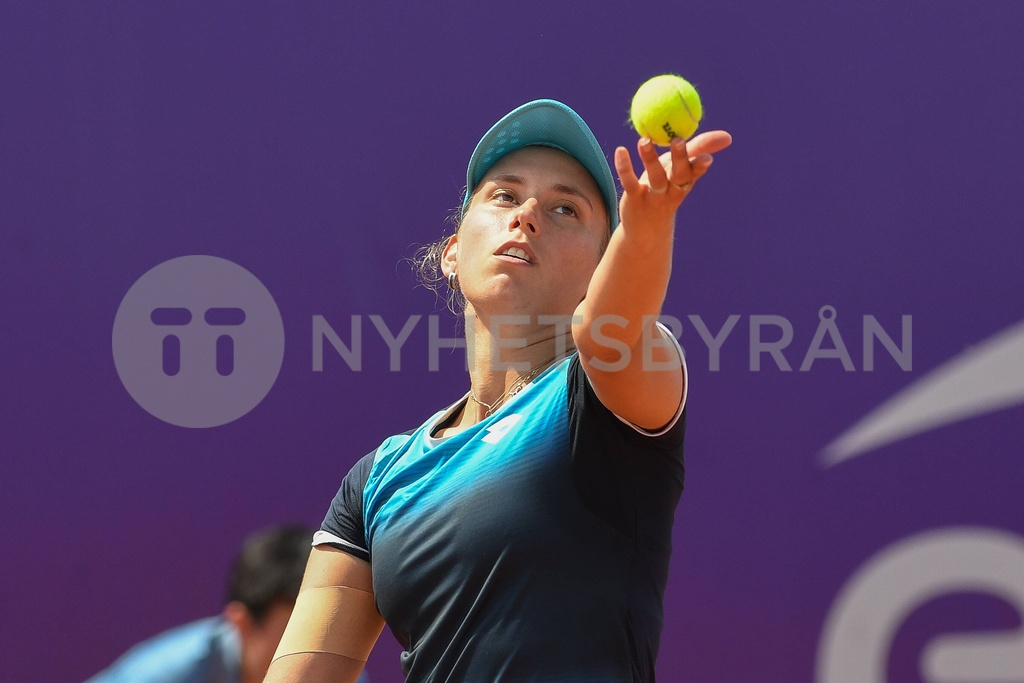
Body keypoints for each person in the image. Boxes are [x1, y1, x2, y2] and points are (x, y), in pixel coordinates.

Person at [266, 99, 732, 682]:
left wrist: (646, 228)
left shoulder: (603, 399)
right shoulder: (375, 481)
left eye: (566, 209)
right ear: (452, 254)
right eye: (505, 196)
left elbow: (609, 328)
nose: (528, 214)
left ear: (600, 267)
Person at [86, 524, 370, 683]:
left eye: (320, 633)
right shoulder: (159, 675)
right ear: (241, 624)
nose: (312, 651)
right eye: (294, 636)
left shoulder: (341, 675)